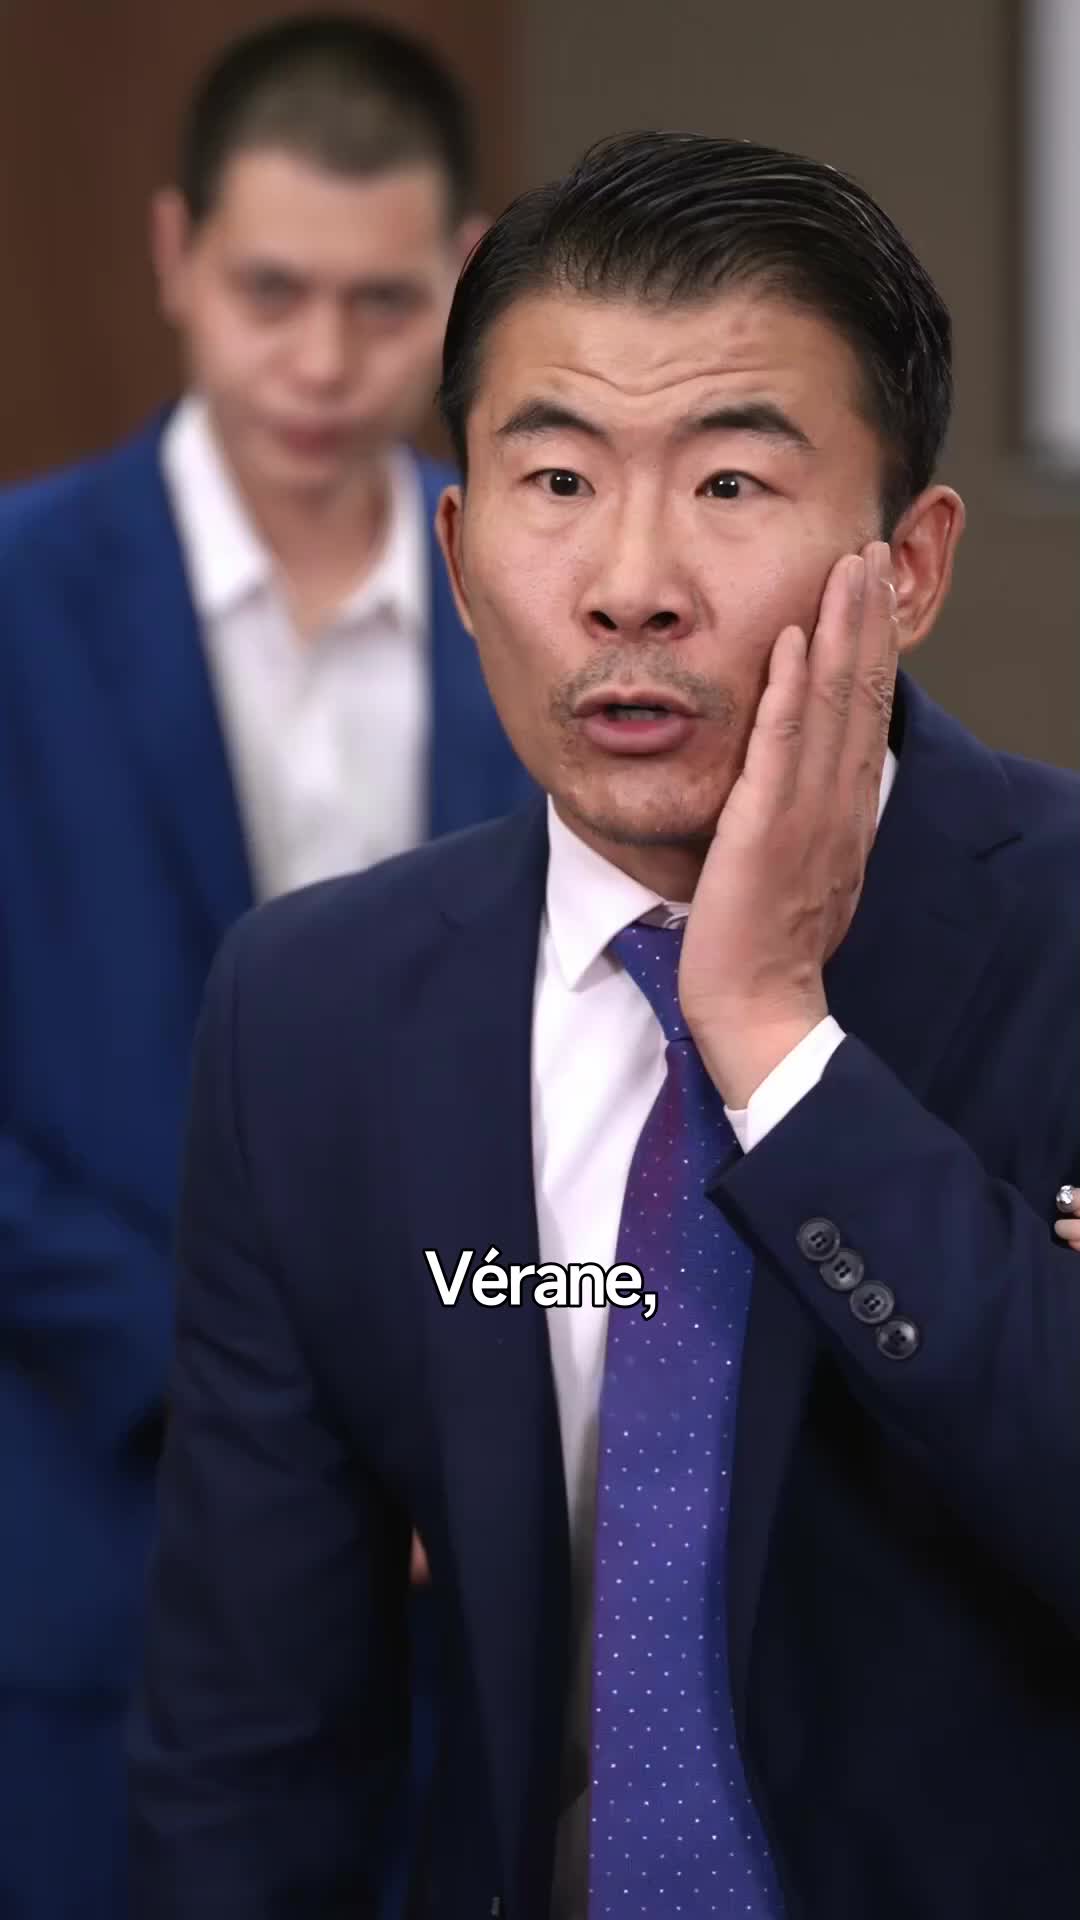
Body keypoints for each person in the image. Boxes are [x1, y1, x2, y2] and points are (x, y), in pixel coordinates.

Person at [129, 131, 1080, 1920]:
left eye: (730, 482)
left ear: (912, 563)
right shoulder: (317, 1011)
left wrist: (776, 1044)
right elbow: (254, 1740)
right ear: (458, 545)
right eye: (557, 479)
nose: (631, 582)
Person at [0, 15, 531, 1920]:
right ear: (176, 253)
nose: (318, 362)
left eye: (381, 303)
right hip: (89, 1544)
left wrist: (467, 1407)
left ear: (462, 278)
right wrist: (261, 1398)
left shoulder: (549, 613)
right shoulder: (13, 601)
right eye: (270, 292)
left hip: (485, 1582)